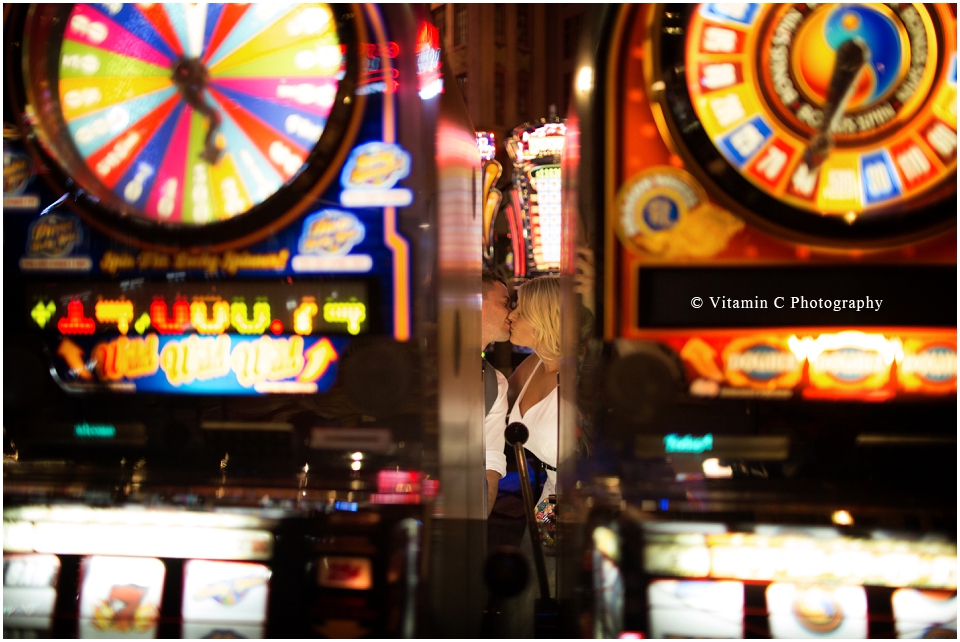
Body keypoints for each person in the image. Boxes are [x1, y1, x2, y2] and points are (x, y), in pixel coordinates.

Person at [506, 275, 561, 508]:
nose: (511, 315)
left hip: (582, 500)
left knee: (542, 545)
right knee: (536, 544)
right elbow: (487, 406)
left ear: (544, 317)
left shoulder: (579, 375)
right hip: (553, 496)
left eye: (520, 309)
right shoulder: (533, 364)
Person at [481, 270, 512, 516]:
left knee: (545, 543)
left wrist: (478, 526)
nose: (512, 314)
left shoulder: (495, 381)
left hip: (557, 498)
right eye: (505, 304)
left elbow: (490, 463)